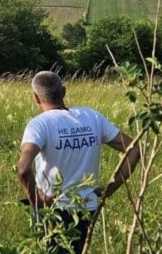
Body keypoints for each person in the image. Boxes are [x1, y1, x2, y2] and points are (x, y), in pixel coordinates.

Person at [16, 71, 141, 253]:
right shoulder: (92, 117)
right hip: (87, 207)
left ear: (36, 98)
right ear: (64, 92)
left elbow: (22, 169)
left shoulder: (39, 124)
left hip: (54, 210)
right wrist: (109, 189)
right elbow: (134, 149)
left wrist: (37, 201)